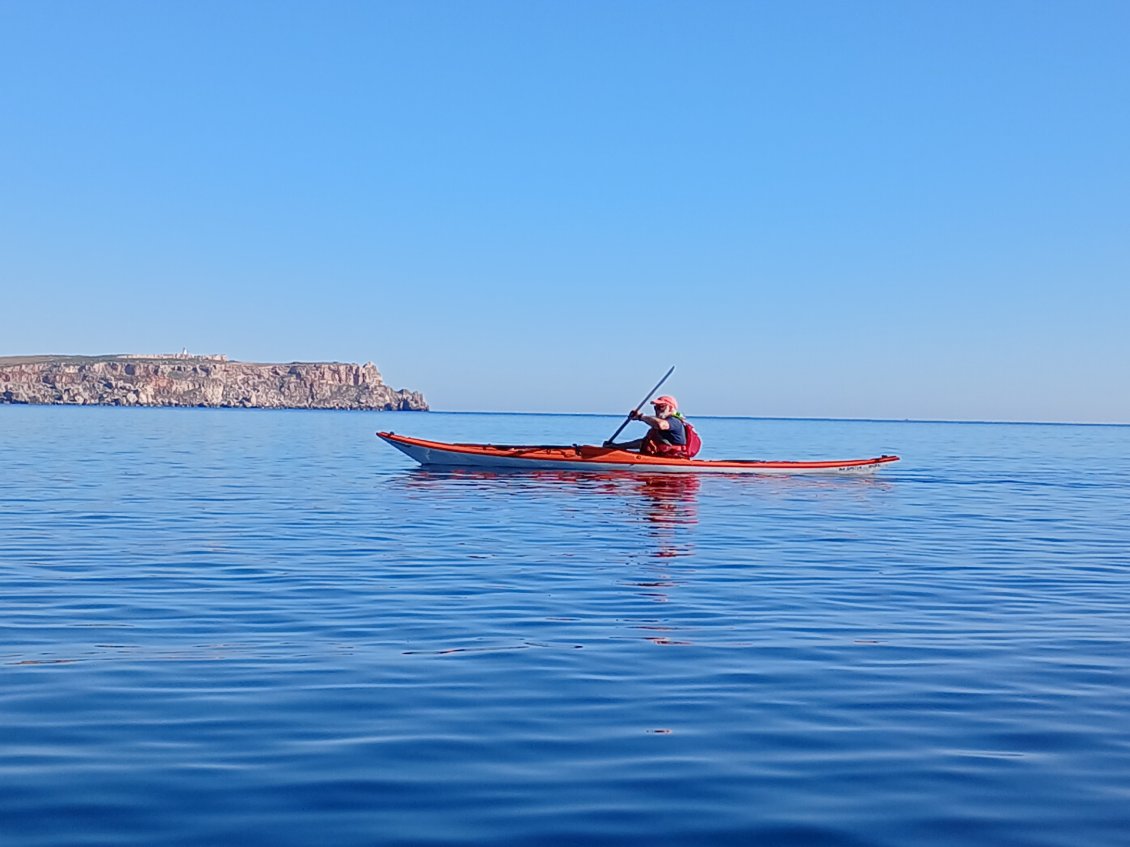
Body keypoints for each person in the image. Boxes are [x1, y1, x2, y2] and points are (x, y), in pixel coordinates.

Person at [604, 395, 688, 457]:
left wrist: (641, 417)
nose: (657, 410)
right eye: (656, 407)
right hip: (659, 455)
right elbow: (642, 443)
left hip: (672, 457)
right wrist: (616, 447)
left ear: (670, 408)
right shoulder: (660, 424)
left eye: (661, 407)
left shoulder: (674, 421)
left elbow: (661, 425)